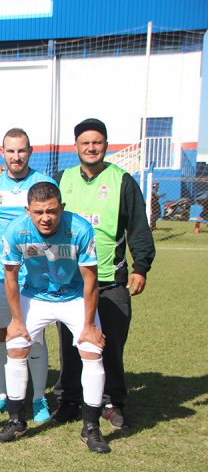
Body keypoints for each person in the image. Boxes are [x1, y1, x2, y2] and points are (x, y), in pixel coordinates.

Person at [52, 118, 155, 430]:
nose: (91, 147)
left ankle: (112, 402)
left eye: (97, 142)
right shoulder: (62, 178)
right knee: (72, 343)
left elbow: (137, 226)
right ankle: (69, 399)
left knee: (110, 342)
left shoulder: (122, 180)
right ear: (76, 147)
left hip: (110, 279)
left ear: (106, 145)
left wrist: (141, 267)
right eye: (85, 143)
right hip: (71, 282)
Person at [0, 182, 110, 453]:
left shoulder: (80, 229)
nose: (45, 218)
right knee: (16, 346)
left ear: (62, 208)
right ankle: (16, 421)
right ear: (27, 210)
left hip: (74, 296)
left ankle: (91, 427)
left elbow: (91, 280)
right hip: (35, 295)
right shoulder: (16, 231)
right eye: (38, 212)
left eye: (52, 211)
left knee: (92, 350)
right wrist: (16, 320)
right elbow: (10, 277)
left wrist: (91, 325)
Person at [0, 128, 57, 422]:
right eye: (10, 151)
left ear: (30, 151)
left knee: (34, 337)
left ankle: (38, 397)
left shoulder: (44, 184)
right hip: (2, 275)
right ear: (2, 154)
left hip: (36, 276)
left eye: (21, 150)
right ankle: (2, 393)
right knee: (0, 336)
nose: (16, 156)